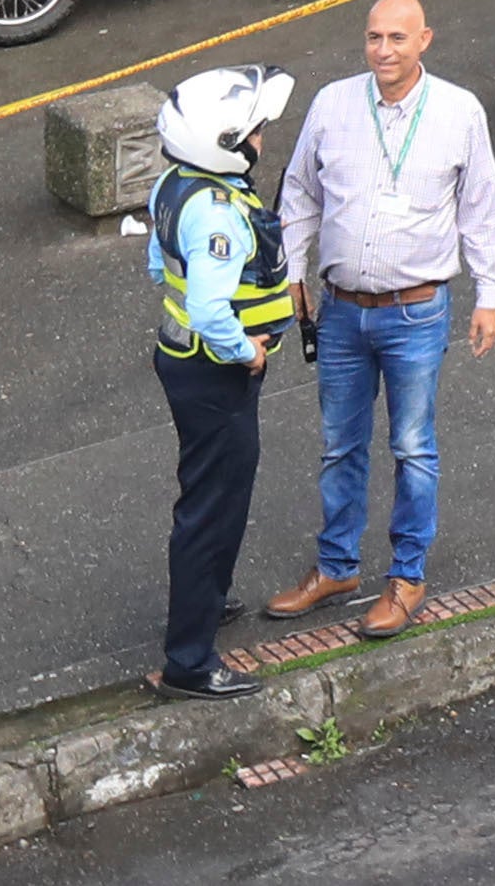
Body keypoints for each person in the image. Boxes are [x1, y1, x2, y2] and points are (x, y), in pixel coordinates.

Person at [258, 0, 495, 640]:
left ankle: (406, 577)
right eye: (374, 38)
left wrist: (488, 294)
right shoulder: (333, 104)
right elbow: (300, 194)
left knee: (412, 447)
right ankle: (336, 568)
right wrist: (291, 274)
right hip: (340, 312)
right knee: (340, 446)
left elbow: (479, 208)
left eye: (397, 38)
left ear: (425, 40)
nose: (383, 50)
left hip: (416, 312)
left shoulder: (457, 112)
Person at [141, 64, 301, 698]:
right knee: (214, 508)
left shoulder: (175, 186)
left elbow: (161, 266)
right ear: (227, 143)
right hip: (216, 374)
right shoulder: (218, 216)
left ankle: (207, 600)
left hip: (182, 364)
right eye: (256, 129)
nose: (263, 137)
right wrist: (246, 354)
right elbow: (210, 309)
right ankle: (191, 662)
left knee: (204, 494)